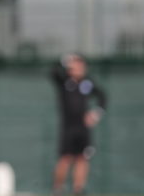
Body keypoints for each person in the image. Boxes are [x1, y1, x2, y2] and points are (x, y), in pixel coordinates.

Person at [50, 54, 107, 196]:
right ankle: (58, 189)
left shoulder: (87, 83)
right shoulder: (64, 81)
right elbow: (53, 72)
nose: (79, 69)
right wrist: (65, 60)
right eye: (75, 65)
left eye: (81, 66)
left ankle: (78, 190)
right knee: (65, 158)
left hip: (83, 129)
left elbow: (102, 96)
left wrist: (96, 113)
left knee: (82, 158)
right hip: (68, 128)